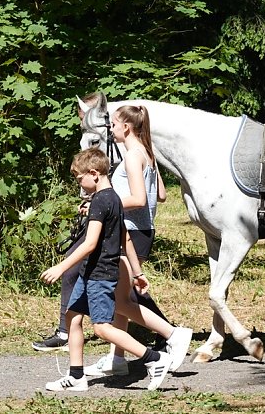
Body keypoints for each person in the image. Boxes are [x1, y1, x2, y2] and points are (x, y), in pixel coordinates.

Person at [40, 148, 191, 392]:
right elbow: (125, 238)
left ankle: (154, 359)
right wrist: (138, 272)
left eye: (80, 179)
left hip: (100, 274)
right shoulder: (115, 198)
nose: (80, 184)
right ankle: (76, 376)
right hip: (90, 272)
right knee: (72, 316)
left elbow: (89, 244)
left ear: (94, 173)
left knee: (101, 328)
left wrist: (61, 266)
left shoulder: (100, 201)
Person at [84, 104, 178, 378]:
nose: (111, 130)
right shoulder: (147, 152)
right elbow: (161, 194)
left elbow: (140, 199)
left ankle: (172, 335)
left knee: (118, 300)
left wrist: (100, 203)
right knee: (122, 297)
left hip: (133, 230)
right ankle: (117, 358)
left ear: (126, 127)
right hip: (142, 229)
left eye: (113, 125)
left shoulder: (131, 157)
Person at [32, 93, 104, 352]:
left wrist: (96, 205)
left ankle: (166, 332)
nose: (81, 119)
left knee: (75, 271)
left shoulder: (109, 147)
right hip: (93, 215)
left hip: (103, 220)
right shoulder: (92, 143)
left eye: (84, 114)